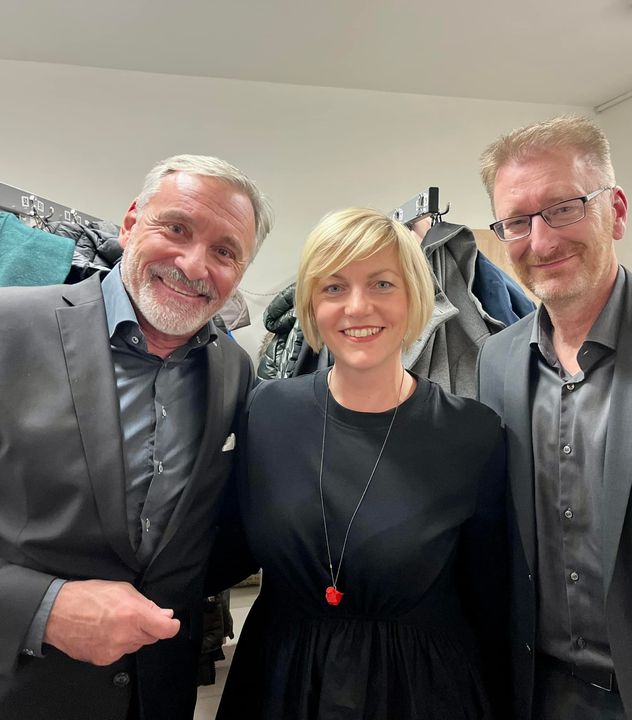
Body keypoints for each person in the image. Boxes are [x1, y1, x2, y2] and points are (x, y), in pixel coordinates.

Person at [0, 154, 273, 720]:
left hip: (159, 693)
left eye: (225, 252)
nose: (194, 265)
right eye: (176, 228)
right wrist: (40, 607)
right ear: (129, 224)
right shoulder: (10, 327)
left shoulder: (233, 369)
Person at [215, 208, 509, 720]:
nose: (357, 307)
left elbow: (491, 595)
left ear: (414, 296)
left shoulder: (472, 433)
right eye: (334, 287)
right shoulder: (265, 411)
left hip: (420, 690)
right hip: (280, 683)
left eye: (382, 284)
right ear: (311, 303)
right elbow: (224, 548)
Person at [477, 115, 632, 720]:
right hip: (537, 694)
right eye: (517, 222)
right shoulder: (496, 361)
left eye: (563, 208)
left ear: (616, 210)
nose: (541, 241)